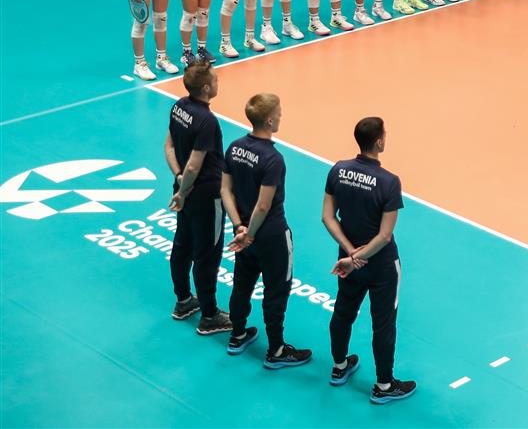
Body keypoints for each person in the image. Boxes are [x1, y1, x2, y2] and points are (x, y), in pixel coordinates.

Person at [323, 117, 416, 404]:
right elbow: (384, 236)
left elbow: (328, 217)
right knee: (383, 324)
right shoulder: (389, 182)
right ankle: (384, 385)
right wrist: (360, 256)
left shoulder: (338, 170)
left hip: (347, 262)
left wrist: (350, 254)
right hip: (381, 266)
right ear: (379, 141)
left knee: (343, 312)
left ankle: (339, 366)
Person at [221, 93, 311, 368]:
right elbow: (263, 205)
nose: (281, 116)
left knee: (241, 285)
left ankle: (237, 335)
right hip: (271, 236)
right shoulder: (273, 159)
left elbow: (225, 190)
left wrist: (238, 226)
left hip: (243, 234)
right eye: (279, 113)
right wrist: (249, 233)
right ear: (270, 120)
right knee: (276, 292)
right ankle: (276, 350)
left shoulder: (235, 147)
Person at [165, 60, 232, 336]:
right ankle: (209, 315)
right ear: (205, 87)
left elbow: (169, 146)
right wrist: (184, 189)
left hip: (183, 190)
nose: (218, 83)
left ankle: (183, 301)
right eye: (215, 80)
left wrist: (179, 180)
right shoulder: (207, 121)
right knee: (207, 255)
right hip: (206, 197)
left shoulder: (178, 106)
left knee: (182, 245)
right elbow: (195, 164)